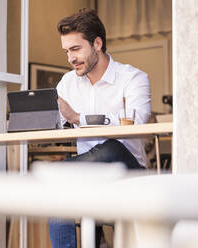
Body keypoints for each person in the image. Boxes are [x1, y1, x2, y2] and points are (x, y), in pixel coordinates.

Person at [48, 8, 151, 248]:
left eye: (76, 49)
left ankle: (54, 174)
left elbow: (137, 123)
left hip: (128, 176)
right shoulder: (67, 82)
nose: (70, 58)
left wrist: (77, 117)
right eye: (66, 51)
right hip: (86, 176)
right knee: (56, 193)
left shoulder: (133, 78)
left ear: (97, 43)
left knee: (112, 148)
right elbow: (60, 123)